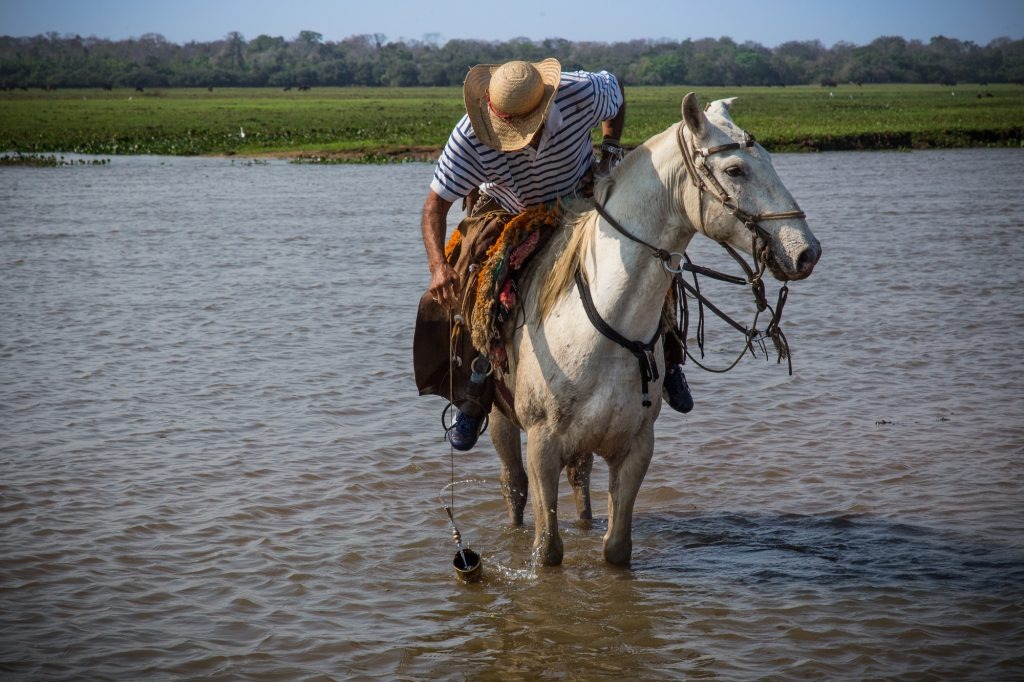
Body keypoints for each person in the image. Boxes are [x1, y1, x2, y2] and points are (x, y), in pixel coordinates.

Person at [420, 58, 693, 451]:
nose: (521, 140)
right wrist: (438, 267)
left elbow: (615, 95)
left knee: (648, 260)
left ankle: (668, 354)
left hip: (582, 199)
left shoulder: (579, 91)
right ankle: (478, 383)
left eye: (526, 130)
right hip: (512, 212)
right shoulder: (470, 135)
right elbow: (434, 207)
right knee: (481, 281)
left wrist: (610, 150)